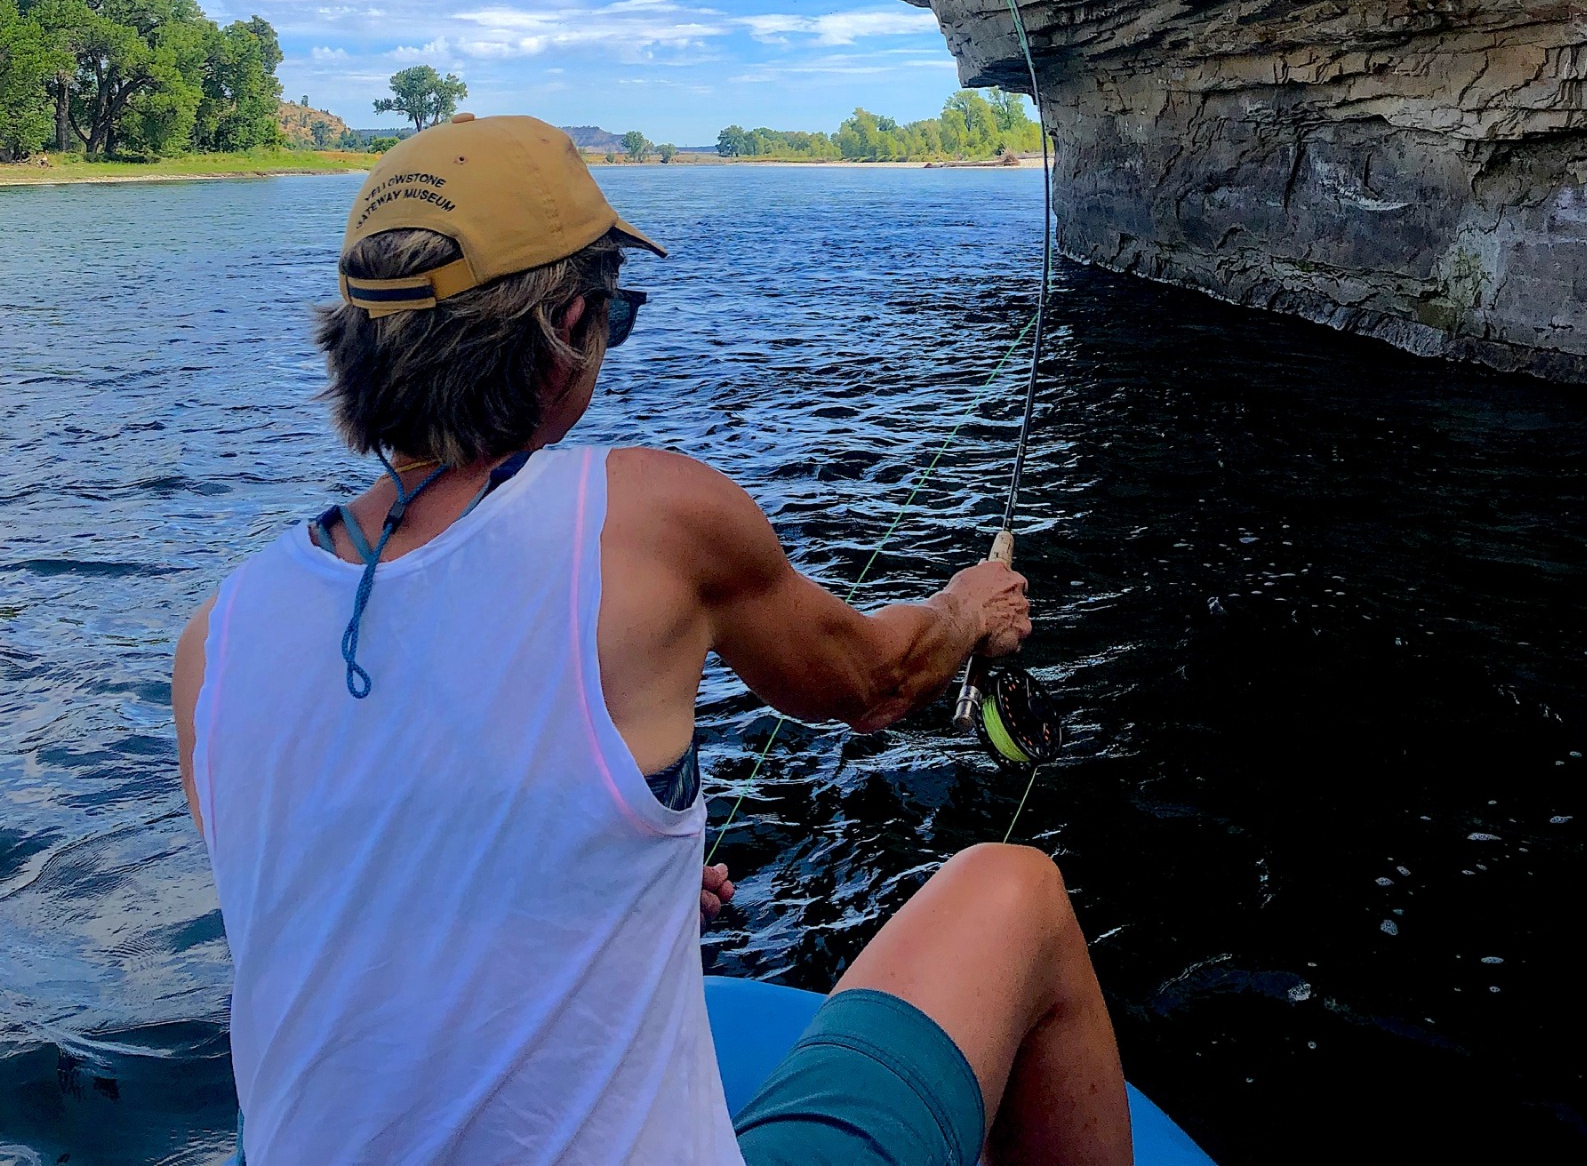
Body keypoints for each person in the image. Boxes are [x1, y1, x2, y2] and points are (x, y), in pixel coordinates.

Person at [173, 114, 1133, 1166]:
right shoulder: (650, 523)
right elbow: (878, 682)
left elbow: (366, 886)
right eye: (615, 317)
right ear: (566, 332)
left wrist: (620, 872)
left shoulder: (213, 645)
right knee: (1018, 892)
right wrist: (968, 611)